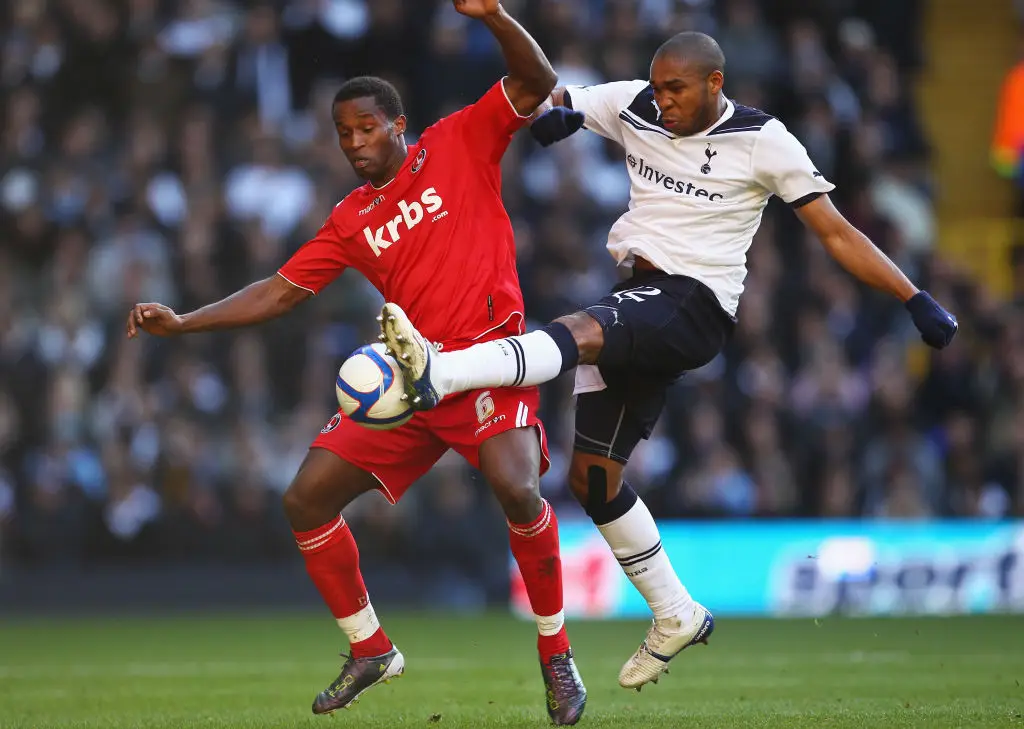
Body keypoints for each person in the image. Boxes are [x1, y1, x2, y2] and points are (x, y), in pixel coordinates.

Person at [380, 31, 959, 691]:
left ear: (715, 83)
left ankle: (442, 372)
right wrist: (556, 115)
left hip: (694, 302)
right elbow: (557, 94)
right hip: (638, 295)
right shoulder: (634, 104)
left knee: (578, 329)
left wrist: (913, 295)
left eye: (676, 89)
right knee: (592, 479)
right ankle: (675, 611)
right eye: (656, 87)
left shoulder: (764, 140)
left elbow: (835, 231)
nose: (663, 101)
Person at [125, 1, 587, 723]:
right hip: (412, 382)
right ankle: (369, 646)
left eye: (367, 127)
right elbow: (280, 291)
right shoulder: (351, 219)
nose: (355, 142)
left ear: (398, 124)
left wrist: (493, 14)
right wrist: (186, 321)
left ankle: (556, 655)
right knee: (304, 498)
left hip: (491, 361)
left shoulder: (458, 140)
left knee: (516, 488)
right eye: (344, 133)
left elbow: (536, 79)